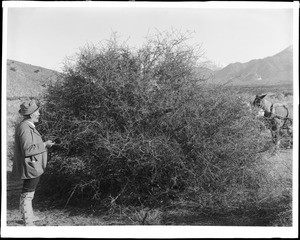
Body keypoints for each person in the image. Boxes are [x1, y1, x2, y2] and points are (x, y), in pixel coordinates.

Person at [12, 99, 55, 226]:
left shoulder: (26, 126)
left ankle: (28, 216)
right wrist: (45, 144)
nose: (39, 114)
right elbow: (27, 149)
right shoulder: (25, 128)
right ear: (31, 114)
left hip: (31, 164)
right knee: (28, 193)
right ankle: (28, 220)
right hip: (31, 166)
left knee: (28, 191)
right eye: (38, 112)